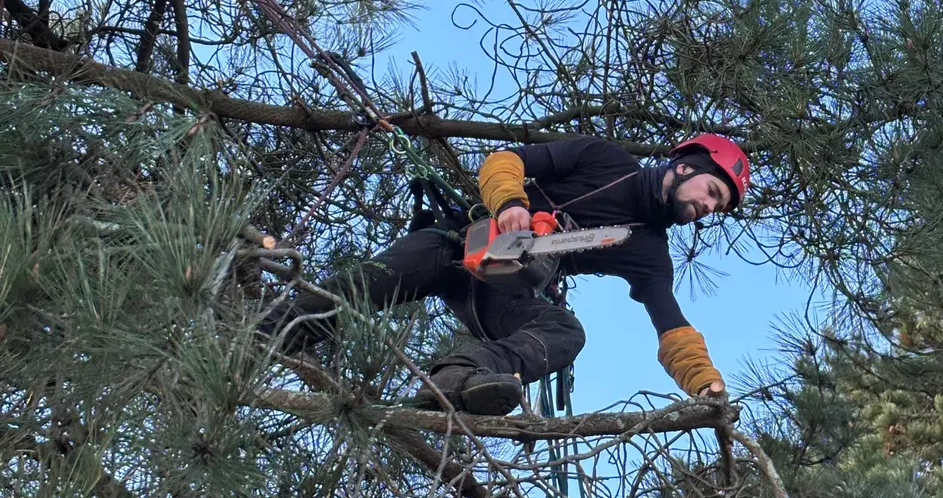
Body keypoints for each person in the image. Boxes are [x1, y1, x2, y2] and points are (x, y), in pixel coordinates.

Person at [272, 133, 749, 416]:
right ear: (684, 166)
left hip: (504, 288)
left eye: (717, 207)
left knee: (564, 332)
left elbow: (672, 328)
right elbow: (506, 161)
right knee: (369, 282)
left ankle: (461, 378)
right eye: (710, 190)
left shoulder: (649, 253)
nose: (706, 207)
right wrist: (512, 204)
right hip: (456, 245)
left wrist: (706, 383)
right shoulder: (604, 159)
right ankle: (273, 328)